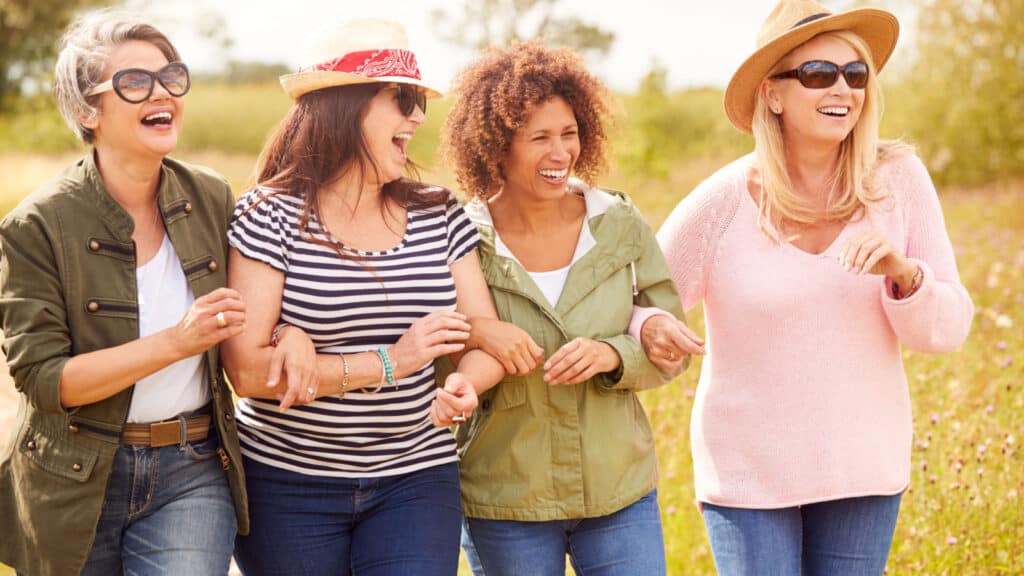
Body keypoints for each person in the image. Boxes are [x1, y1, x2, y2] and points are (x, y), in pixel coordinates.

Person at [650, 1, 975, 574]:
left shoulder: (898, 180)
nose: (843, 89)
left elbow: (948, 329)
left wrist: (906, 276)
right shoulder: (720, 203)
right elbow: (639, 302)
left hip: (863, 471)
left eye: (855, 74)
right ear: (772, 95)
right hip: (748, 478)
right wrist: (649, 328)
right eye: (819, 74)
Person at [221, 19, 504, 576]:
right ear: (344, 106)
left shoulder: (439, 212)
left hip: (416, 476)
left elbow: (483, 337)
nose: (418, 116)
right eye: (402, 98)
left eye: (418, 99)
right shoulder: (267, 214)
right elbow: (248, 373)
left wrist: (464, 382)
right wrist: (390, 362)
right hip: (286, 484)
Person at [0, 11, 249, 576]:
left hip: (193, 468)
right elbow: (44, 382)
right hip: (73, 478)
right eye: (134, 82)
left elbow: (258, 314)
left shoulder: (212, 196)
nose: (161, 93)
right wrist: (177, 342)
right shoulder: (35, 224)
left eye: (171, 77)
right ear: (88, 110)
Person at [439, 41, 691, 576]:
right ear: (497, 147)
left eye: (569, 133)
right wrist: (476, 352)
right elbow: (446, 353)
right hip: (507, 497)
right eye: (540, 138)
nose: (561, 153)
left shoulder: (618, 224)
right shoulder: (461, 237)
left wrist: (615, 355)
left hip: (618, 492)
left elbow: (669, 344)